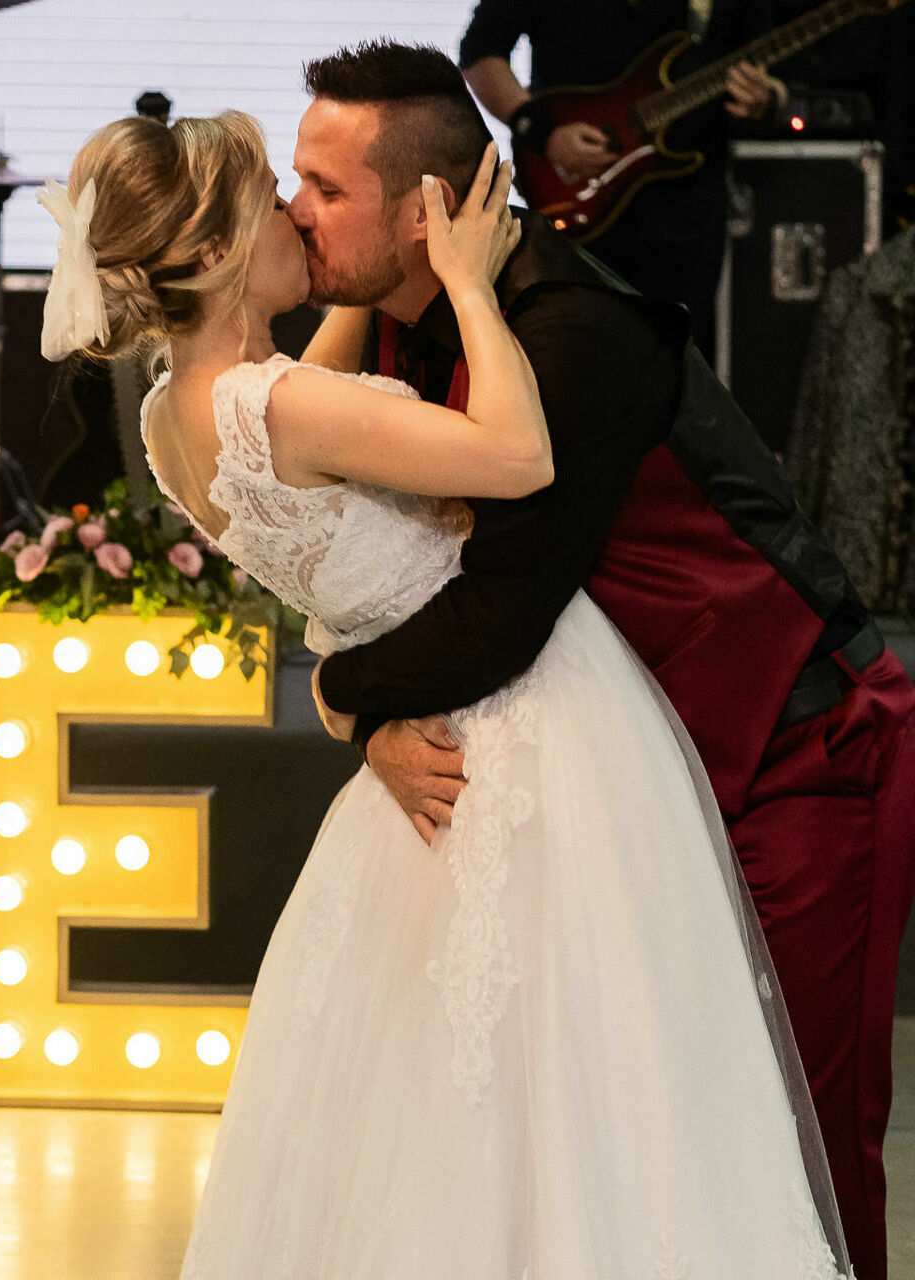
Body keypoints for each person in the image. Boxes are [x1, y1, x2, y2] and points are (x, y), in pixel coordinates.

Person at [44, 103, 851, 1277]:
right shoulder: (283, 407)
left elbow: (299, 408)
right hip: (530, 728)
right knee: (592, 1076)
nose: (294, 215)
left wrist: (377, 273)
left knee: (440, 1097)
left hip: (430, 739)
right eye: (274, 194)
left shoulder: (181, 414)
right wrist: (467, 281)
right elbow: (520, 457)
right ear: (216, 253)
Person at [293, 41, 915, 1280]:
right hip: (643, 786)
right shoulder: (410, 333)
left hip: (797, 756)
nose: (291, 207)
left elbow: (500, 609)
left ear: (426, 213)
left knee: (792, 1137)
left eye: (322, 186)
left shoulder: (574, 333)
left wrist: (340, 698)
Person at [457, 0, 788, 360]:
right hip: (573, 199)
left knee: (680, 366)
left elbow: (773, 69)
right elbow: (479, 54)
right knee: (573, 359)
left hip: (686, 211)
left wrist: (769, 100)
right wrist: (543, 131)